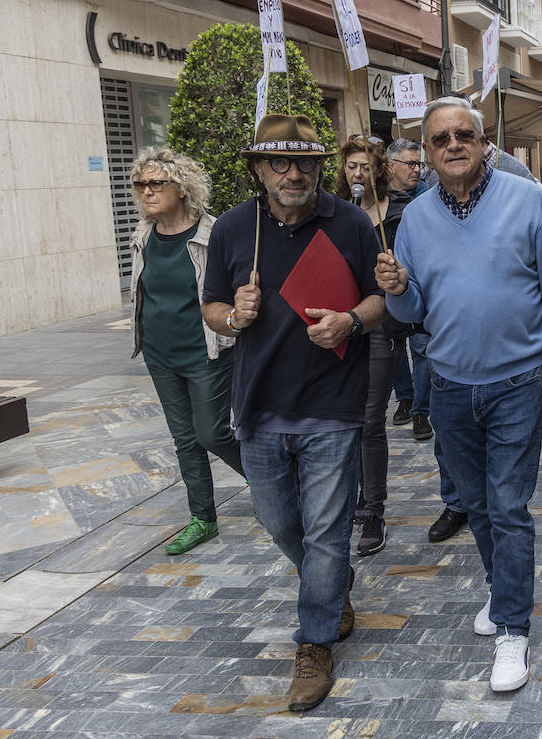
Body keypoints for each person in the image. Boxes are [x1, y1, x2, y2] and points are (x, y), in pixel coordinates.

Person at [375, 96, 542, 694]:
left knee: (509, 506)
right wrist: (395, 290)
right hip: (445, 387)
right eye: (439, 139)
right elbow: (413, 309)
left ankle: (512, 629)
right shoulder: (414, 219)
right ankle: (504, 589)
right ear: (428, 151)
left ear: (483, 139)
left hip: (517, 384)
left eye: (462, 134)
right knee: (477, 505)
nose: (452, 146)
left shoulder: (527, 203)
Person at [201, 114, 387, 712]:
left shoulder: (353, 222)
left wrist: (351, 320)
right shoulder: (234, 228)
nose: (294, 173)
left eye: (305, 162)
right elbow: (209, 306)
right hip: (258, 406)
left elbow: (382, 298)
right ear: (259, 169)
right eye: (280, 163)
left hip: (332, 405)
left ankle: (314, 643)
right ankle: (331, 593)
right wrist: (236, 317)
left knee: (328, 534)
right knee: (281, 523)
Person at [129, 148, 246, 556]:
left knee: (212, 432)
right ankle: (203, 518)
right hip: (160, 354)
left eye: (155, 183)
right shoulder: (143, 237)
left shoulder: (213, 235)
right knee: (184, 439)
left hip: (206, 351)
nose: (146, 191)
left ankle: (275, 487)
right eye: (140, 184)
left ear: (181, 188)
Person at [335, 136, 399, 558]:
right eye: (350, 166)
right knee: (343, 420)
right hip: (341, 324)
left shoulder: (398, 213)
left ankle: (373, 507)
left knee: (371, 420)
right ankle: (346, 501)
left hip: (380, 325)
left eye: (364, 166)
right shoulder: (336, 213)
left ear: (378, 170)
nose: (357, 174)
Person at [384, 139, 433, 443]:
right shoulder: (379, 200)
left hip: (421, 286)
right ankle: (404, 396)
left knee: (422, 348)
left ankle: (420, 410)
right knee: (395, 346)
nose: (417, 170)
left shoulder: (427, 197)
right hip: (388, 286)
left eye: (420, 164)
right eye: (410, 164)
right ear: (390, 166)